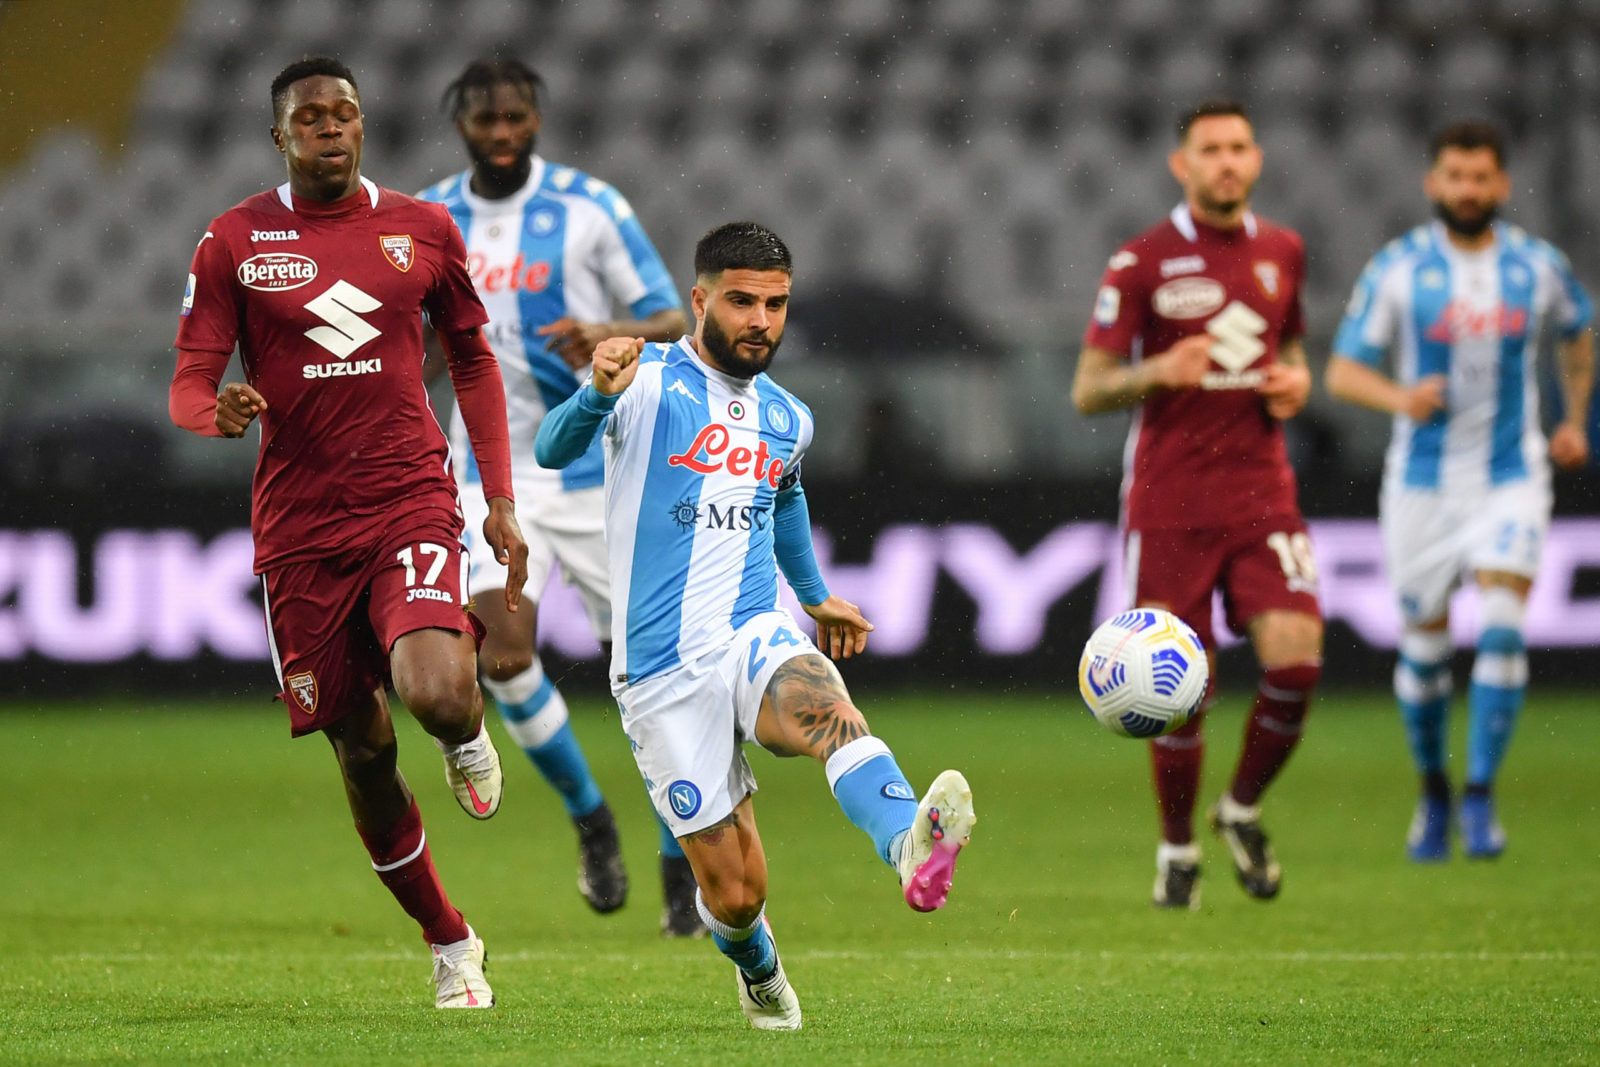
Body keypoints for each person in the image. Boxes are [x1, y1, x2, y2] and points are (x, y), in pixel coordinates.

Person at [534, 221, 976, 1031]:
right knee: (736, 893)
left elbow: (786, 497)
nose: (760, 321)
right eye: (742, 301)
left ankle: (908, 844)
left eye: (775, 304)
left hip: (749, 632)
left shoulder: (787, 416)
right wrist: (596, 390)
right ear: (700, 300)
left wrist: (811, 596)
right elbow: (552, 448)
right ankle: (757, 964)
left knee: (826, 704)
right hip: (660, 673)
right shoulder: (645, 375)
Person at [168, 57, 529, 1009]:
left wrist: (498, 494)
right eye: (310, 118)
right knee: (362, 751)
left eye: (346, 114)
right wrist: (219, 410)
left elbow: (473, 358)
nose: (331, 128)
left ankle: (463, 732)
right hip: (298, 527)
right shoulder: (234, 241)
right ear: (279, 136)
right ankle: (452, 941)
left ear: (362, 126)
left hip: (407, 492)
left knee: (438, 693)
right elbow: (189, 378)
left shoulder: (420, 227)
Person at [415, 59, 696, 932]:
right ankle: (591, 816)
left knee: (652, 677)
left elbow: (673, 318)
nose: (503, 133)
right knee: (498, 657)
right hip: (489, 471)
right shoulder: (427, 221)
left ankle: (678, 863)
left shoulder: (590, 207)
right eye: (486, 120)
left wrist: (613, 332)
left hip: (599, 463)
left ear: (536, 118)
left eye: (516, 117)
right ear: (461, 123)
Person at [1072, 100, 1324, 909]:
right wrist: (1157, 371)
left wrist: (1298, 380)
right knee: (1183, 684)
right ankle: (1176, 849)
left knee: (1297, 659)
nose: (1226, 161)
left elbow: (1288, 348)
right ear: (1181, 165)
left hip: (1262, 490)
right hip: (1170, 498)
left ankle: (1241, 808)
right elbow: (1089, 389)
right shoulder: (1140, 261)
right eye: (1209, 149)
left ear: (1257, 159)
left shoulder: (1284, 250)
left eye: (1239, 147)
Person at [1326, 120, 1594, 861]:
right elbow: (1344, 369)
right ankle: (1433, 792)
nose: (1468, 190)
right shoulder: (1399, 268)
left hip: (1512, 476)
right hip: (1421, 487)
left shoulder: (1537, 266)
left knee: (1504, 624)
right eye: (1456, 176)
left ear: (1502, 185)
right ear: (1432, 183)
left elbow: (1580, 331)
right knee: (1424, 650)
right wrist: (1400, 396)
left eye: (1481, 178)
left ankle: (1479, 796)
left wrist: (1575, 419)